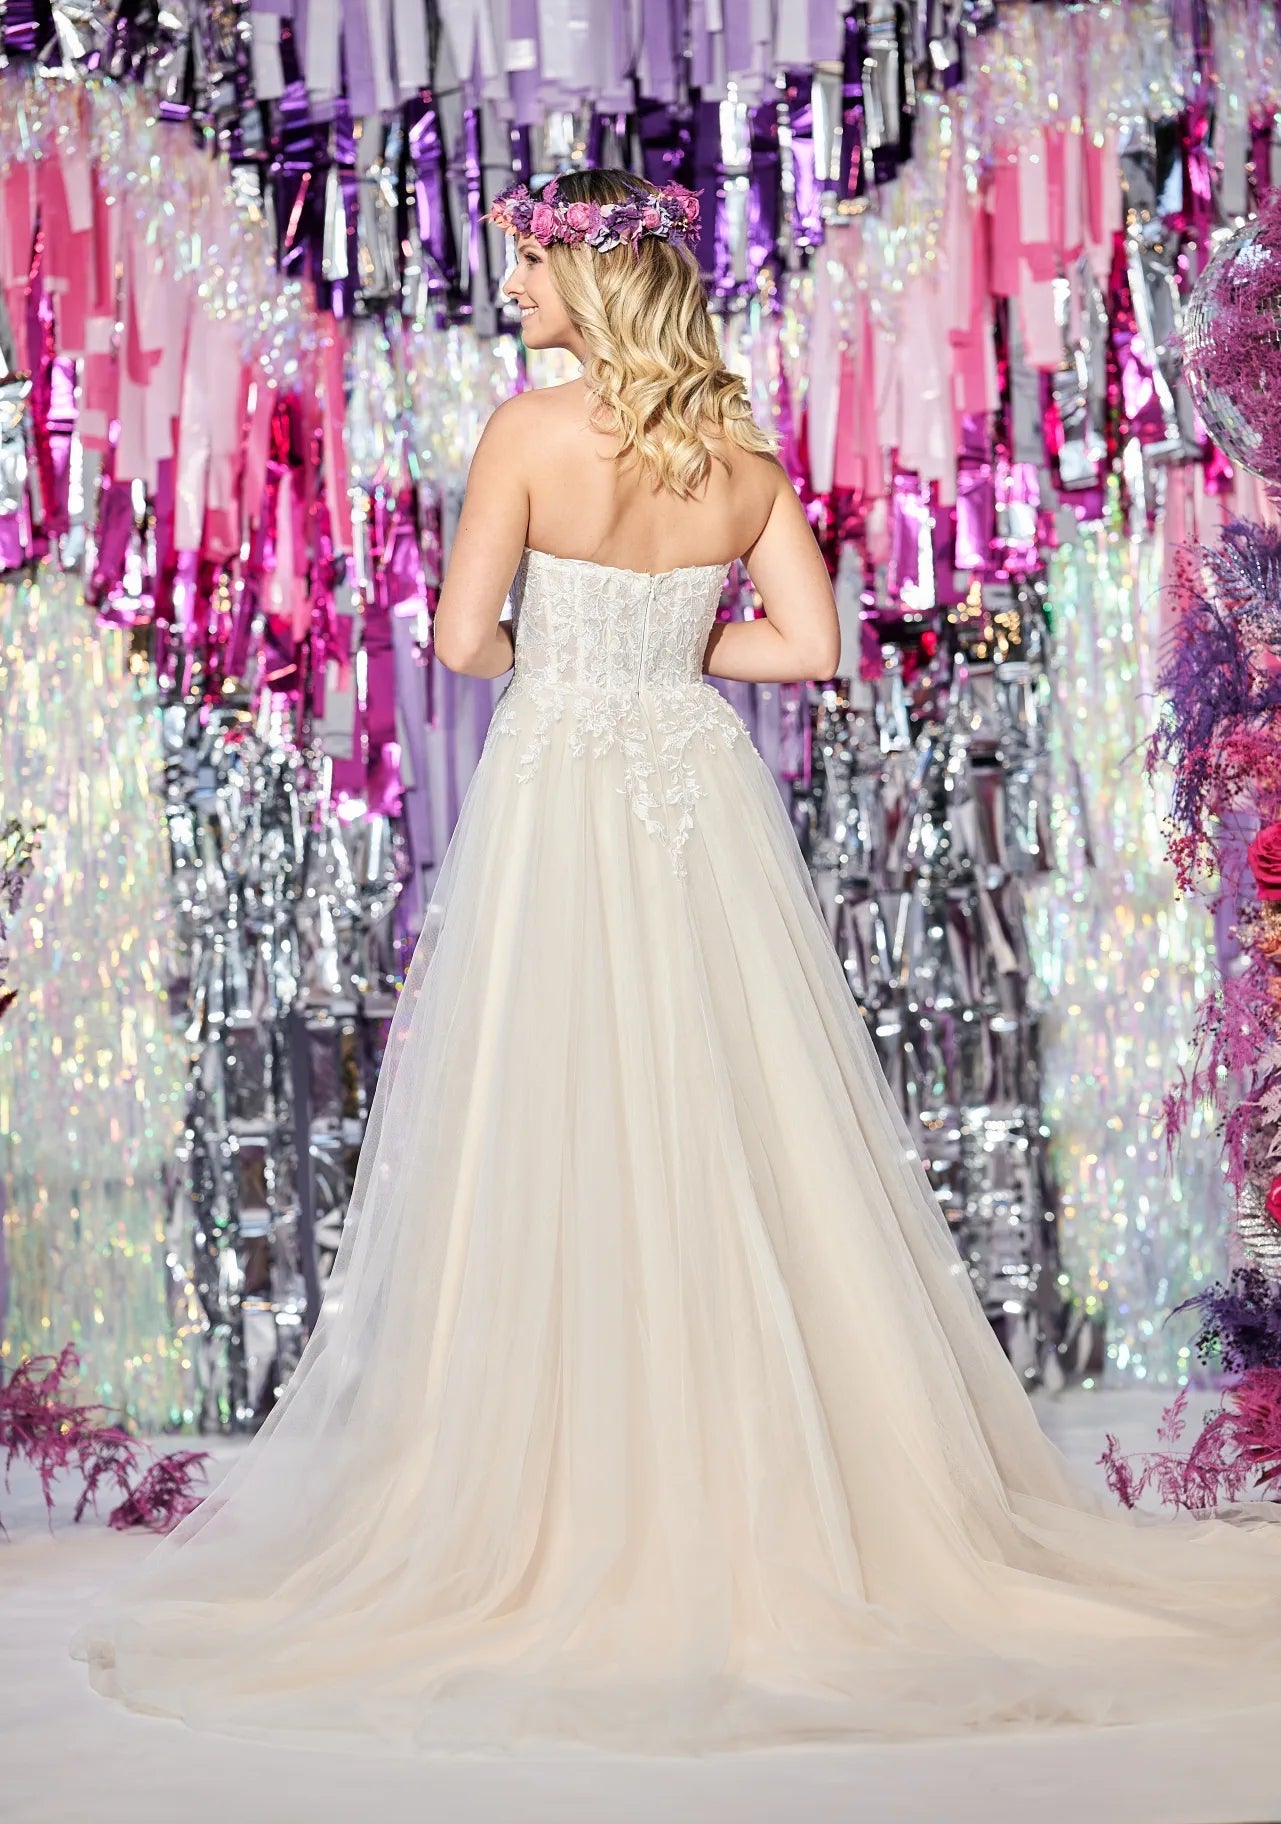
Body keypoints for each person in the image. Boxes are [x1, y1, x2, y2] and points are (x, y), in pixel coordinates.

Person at [73, 170, 1281, 1754]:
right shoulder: (739, 455)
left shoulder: (526, 433)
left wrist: (581, 659)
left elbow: (460, 643)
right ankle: (760, 1476)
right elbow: (810, 644)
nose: (513, 288)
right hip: (694, 787)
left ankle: (566, 1484)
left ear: (593, 279)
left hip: (565, 785)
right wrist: (666, 652)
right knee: (732, 1111)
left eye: (528, 264)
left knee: (557, 1106)